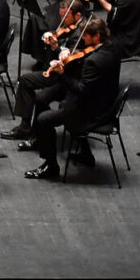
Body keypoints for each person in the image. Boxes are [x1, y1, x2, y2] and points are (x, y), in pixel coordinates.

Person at [23, 18, 120, 179]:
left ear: (96, 36)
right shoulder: (112, 48)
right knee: (51, 99)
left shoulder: (94, 61)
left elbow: (81, 90)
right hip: (106, 101)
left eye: (86, 36)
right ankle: (85, 154)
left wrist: (62, 74)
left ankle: (51, 167)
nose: (83, 39)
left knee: (43, 119)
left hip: (92, 112)